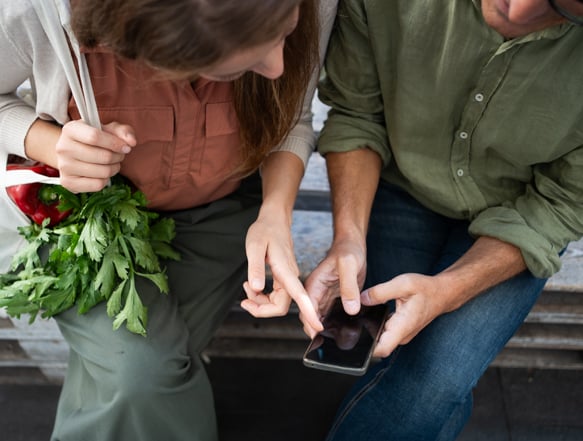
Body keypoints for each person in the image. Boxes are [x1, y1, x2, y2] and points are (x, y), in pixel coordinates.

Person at [244, 0, 583, 439]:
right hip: (399, 186)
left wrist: (447, 291)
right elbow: (358, 114)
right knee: (412, 371)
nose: (517, 9)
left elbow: (560, 204)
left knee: (435, 377)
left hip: (521, 218)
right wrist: (348, 239)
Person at [0, 0, 337, 439]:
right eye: (232, 71)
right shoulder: (37, 9)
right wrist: (48, 142)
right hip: (79, 219)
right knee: (143, 375)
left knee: (137, 379)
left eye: (286, 31)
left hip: (221, 215)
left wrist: (275, 214)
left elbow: (294, 115)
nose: (277, 67)